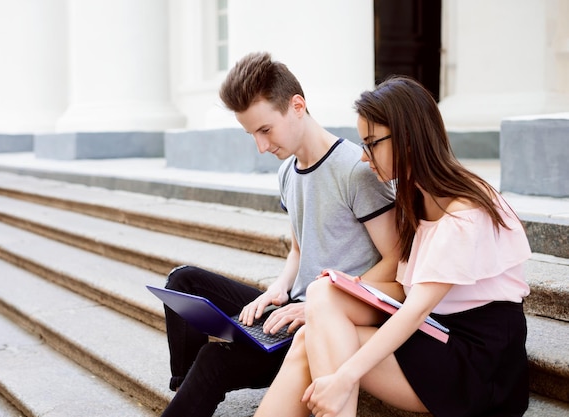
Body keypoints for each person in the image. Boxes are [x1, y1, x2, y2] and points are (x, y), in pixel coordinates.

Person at [255, 75, 532, 417]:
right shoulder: (418, 197)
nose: (363, 157)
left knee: (315, 334)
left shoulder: (464, 212)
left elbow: (415, 310)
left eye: (372, 143)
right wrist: (339, 290)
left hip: (477, 364)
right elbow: (404, 289)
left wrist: (345, 377)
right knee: (319, 304)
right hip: (438, 334)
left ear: (408, 138)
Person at [159, 52, 400, 417]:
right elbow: (300, 249)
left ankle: (198, 383)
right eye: (252, 134)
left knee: (213, 359)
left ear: (297, 106)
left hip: (325, 326)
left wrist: (322, 307)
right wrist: (278, 288)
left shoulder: (356, 170)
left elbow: (396, 260)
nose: (260, 145)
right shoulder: (288, 171)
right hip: (291, 310)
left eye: (265, 130)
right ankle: (186, 386)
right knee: (182, 282)